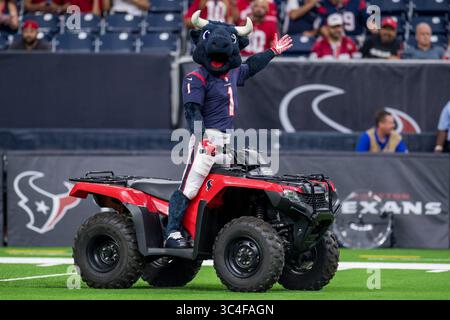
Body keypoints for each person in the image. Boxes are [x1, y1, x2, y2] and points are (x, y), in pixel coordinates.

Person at [165, 10, 292, 248]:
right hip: (206, 139)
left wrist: (272, 52)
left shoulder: (231, 73)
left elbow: (251, 66)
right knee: (189, 186)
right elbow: (193, 112)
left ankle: (253, 229)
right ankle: (172, 232)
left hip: (226, 140)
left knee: (254, 169)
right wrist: (202, 139)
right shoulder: (197, 77)